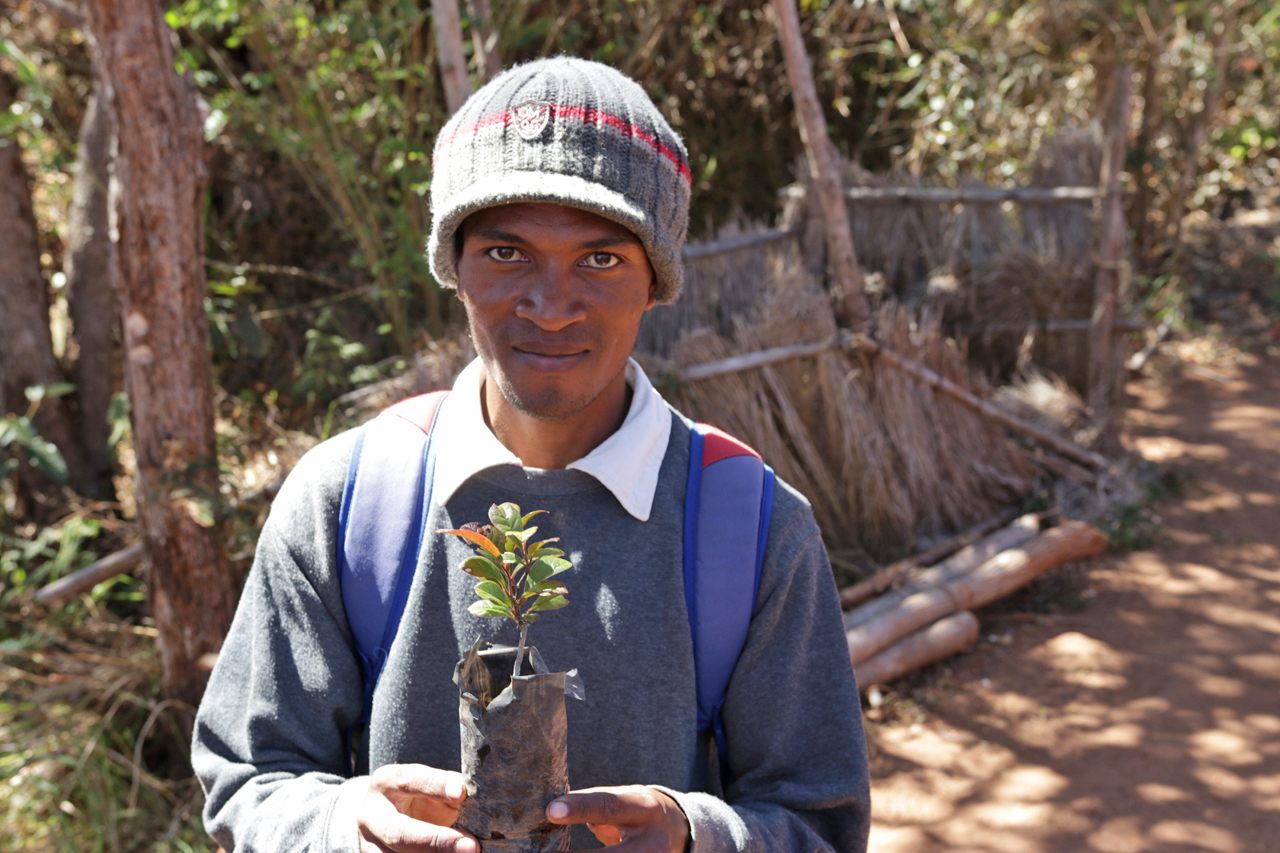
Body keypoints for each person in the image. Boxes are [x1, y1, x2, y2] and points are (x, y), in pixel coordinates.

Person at [192, 56, 870, 852]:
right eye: (507, 254)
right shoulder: (346, 503)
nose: (551, 307)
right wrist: (342, 823)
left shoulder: (749, 528)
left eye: (601, 259)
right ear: (455, 267)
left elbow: (819, 818)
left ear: (657, 279)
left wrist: (700, 834)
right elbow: (248, 776)